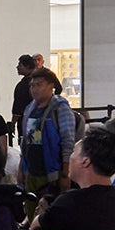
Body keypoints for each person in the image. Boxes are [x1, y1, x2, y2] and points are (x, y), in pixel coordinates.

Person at [19, 66, 76, 203]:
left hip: (53, 175)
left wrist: (65, 174)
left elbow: (67, 142)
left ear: (51, 86)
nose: (34, 89)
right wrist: (21, 169)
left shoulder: (60, 108)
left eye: (39, 85)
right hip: (31, 172)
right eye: (32, 85)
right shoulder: (30, 109)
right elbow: (25, 141)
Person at [10, 54, 36, 144]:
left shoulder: (24, 85)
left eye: (20, 65)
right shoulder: (40, 81)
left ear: (27, 66)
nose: (17, 67)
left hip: (27, 122)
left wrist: (12, 123)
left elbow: (18, 107)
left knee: (28, 148)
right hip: (38, 121)